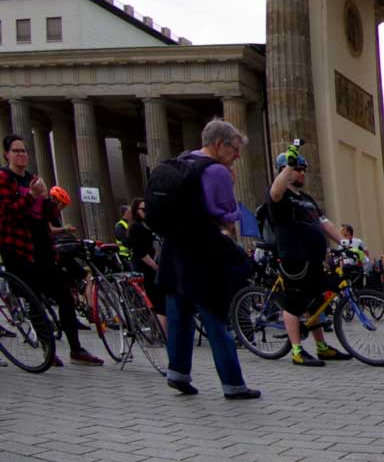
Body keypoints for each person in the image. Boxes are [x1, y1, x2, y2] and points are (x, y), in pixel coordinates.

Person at [157, 119, 259, 398]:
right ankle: (233, 384)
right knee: (215, 318)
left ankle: (177, 373)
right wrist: (235, 208)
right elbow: (226, 215)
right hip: (203, 253)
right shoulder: (216, 171)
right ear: (218, 144)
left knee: (178, 316)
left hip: (174, 251)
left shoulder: (182, 161)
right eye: (235, 149)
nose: (237, 155)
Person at [0, 135, 103, 366]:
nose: (22, 155)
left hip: (43, 247)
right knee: (33, 301)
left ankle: (76, 349)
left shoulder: (31, 179)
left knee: (65, 296)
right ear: (7, 154)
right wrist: (31, 196)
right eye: (16, 151)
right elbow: (7, 214)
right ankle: (48, 349)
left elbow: (50, 216)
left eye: (24, 151)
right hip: (18, 248)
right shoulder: (4, 179)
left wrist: (46, 199)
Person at [261, 150, 350, 366]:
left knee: (315, 301)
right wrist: (288, 166)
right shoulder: (280, 196)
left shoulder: (307, 198)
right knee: (294, 302)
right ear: (285, 170)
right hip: (293, 257)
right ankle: (297, 350)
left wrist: (345, 242)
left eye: (303, 169)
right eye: (297, 169)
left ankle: (321, 347)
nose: (301, 173)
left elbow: (324, 222)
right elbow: (274, 191)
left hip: (313, 258)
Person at [124, 198, 167, 334]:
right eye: (143, 209)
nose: (146, 212)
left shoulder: (151, 225)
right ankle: (162, 333)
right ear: (136, 211)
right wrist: (155, 267)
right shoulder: (136, 228)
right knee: (158, 301)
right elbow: (141, 252)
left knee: (160, 300)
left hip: (158, 265)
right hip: (147, 269)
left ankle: (162, 330)